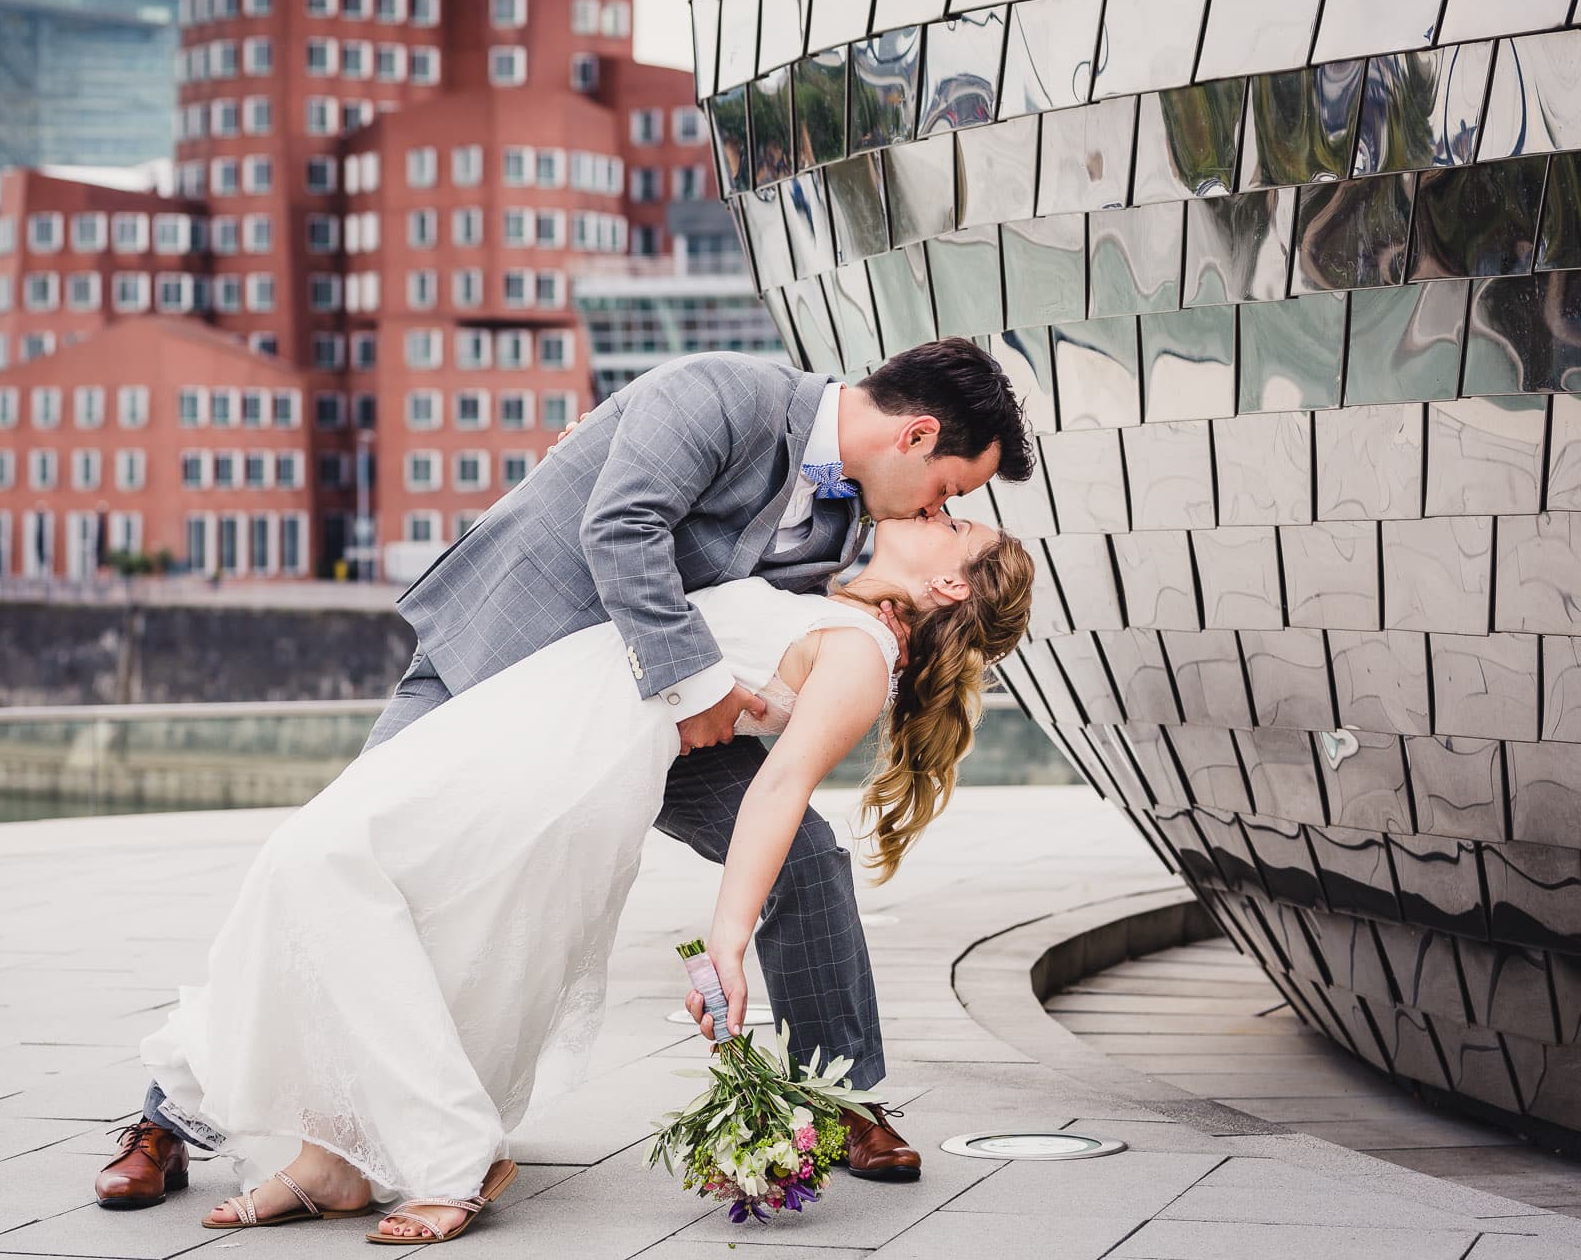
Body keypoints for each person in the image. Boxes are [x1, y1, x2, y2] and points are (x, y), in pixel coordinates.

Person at [94, 338, 1035, 1225]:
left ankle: (839, 1098)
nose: (930, 510)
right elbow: (619, 525)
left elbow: (810, 643)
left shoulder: (855, 512)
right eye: (947, 488)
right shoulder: (723, 393)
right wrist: (701, 680)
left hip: (655, 725)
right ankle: (173, 1118)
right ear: (917, 438)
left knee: (804, 855)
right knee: (332, 853)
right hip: (515, 663)